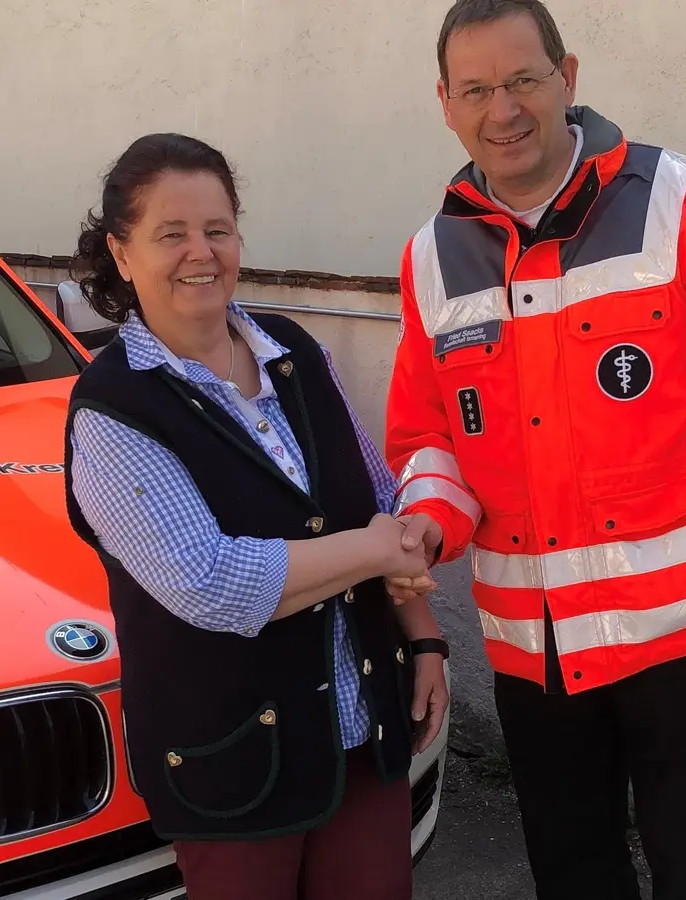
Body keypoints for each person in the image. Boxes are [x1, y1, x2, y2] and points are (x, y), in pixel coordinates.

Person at [382, 1, 686, 897]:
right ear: (446, 103)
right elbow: (426, 436)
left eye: (523, 79)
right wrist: (428, 520)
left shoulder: (681, 200)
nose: (504, 109)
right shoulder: (430, 257)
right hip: (535, 649)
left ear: (569, 77)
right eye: (477, 89)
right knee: (573, 874)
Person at [61, 132, 450, 900]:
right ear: (122, 253)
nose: (200, 252)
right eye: (171, 233)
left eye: (218, 229)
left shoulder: (293, 350)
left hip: (361, 727)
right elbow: (211, 583)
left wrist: (426, 638)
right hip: (235, 763)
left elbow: (378, 500)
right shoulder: (113, 410)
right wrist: (375, 551)